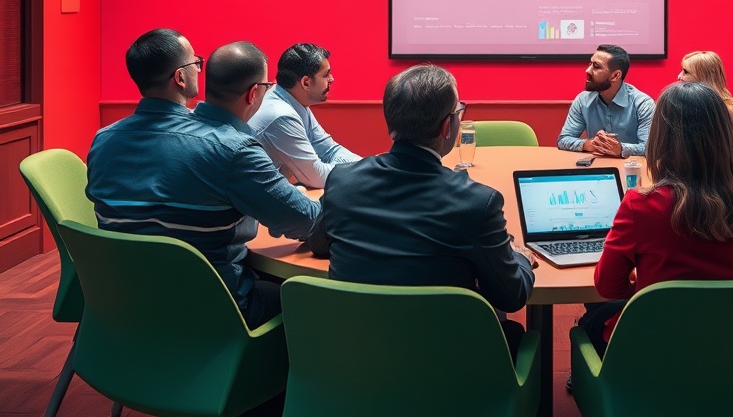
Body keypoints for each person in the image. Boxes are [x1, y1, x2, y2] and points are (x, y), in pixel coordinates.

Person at [86, 32, 322, 328]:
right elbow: (306, 220)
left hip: (123, 303)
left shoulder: (102, 140)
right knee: (315, 299)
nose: (200, 68)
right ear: (181, 78)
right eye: (196, 63)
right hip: (209, 310)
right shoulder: (229, 148)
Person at [310, 64, 537, 350]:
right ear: (447, 126)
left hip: (358, 354)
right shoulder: (477, 203)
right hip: (447, 363)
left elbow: (319, 243)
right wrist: (521, 258)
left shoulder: (342, 180)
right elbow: (511, 296)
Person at [577, 81, 733, 358]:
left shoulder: (640, 205)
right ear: (725, 136)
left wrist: (644, 289)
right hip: (732, 345)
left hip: (656, 347)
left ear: (661, 138)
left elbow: (608, 286)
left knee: (591, 321)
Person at [248, 43, 360, 188]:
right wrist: (365, 172)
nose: (331, 79)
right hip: (251, 206)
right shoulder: (281, 115)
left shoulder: (293, 100)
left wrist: (367, 166)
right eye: (326, 74)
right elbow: (316, 177)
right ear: (306, 82)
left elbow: (329, 150)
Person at [556, 44, 655, 158]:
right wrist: (591, 144)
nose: (587, 70)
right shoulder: (582, 100)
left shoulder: (643, 104)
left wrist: (620, 149)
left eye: (596, 66)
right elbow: (563, 139)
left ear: (615, 75)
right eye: (590, 64)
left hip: (631, 170)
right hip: (596, 169)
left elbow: (649, 148)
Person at [678, 50, 733, 143]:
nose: (679, 76)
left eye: (686, 72)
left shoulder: (729, 111)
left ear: (704, 77)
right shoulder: (692, 105)